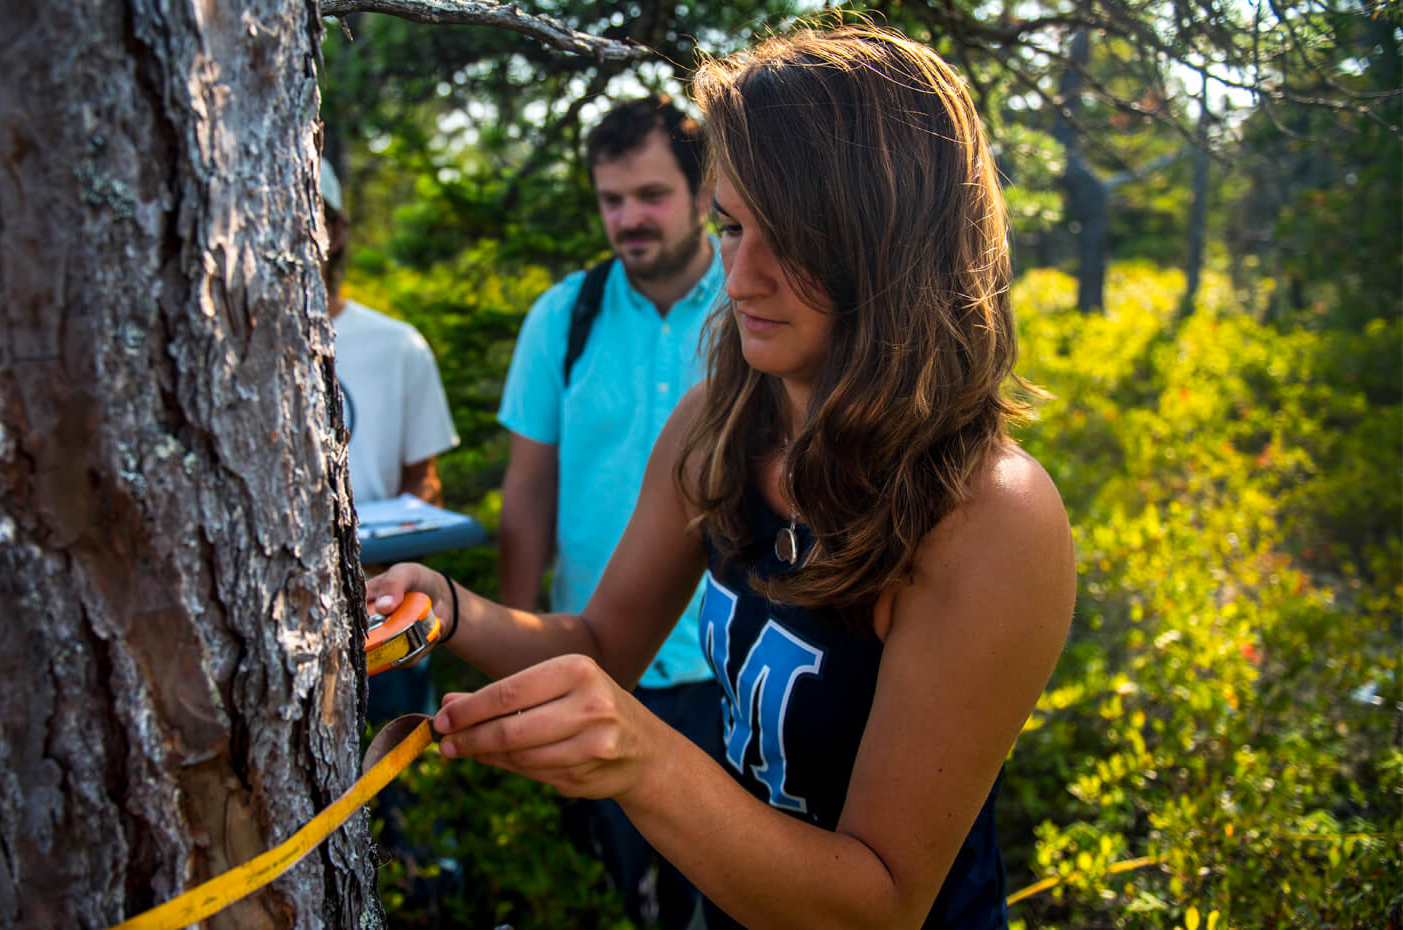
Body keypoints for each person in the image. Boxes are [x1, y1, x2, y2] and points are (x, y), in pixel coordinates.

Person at [369, 24, 1076, 930]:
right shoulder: (722, 423)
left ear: (893, 243)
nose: (739, 279)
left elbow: (881, 904)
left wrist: (645, 759)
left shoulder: (986, 514)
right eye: (732, 227)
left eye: (789, 239)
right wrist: (450, 609)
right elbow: (602, 645)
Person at [495, 95, 727, 928]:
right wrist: (516, 659)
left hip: (727, 673)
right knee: (608, 893)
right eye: (611, 199)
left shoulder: (758, 305)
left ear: (705, 194)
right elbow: (527, 493)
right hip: (594, 665)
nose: (629, 219)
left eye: (652, 195)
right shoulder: (563, 317)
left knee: (726, 896)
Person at [322, 157, 459, 723]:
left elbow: (423, 482)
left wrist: (392, 559)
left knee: (392, 760)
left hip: (378, 610)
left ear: (336, 229)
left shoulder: (397, 346)